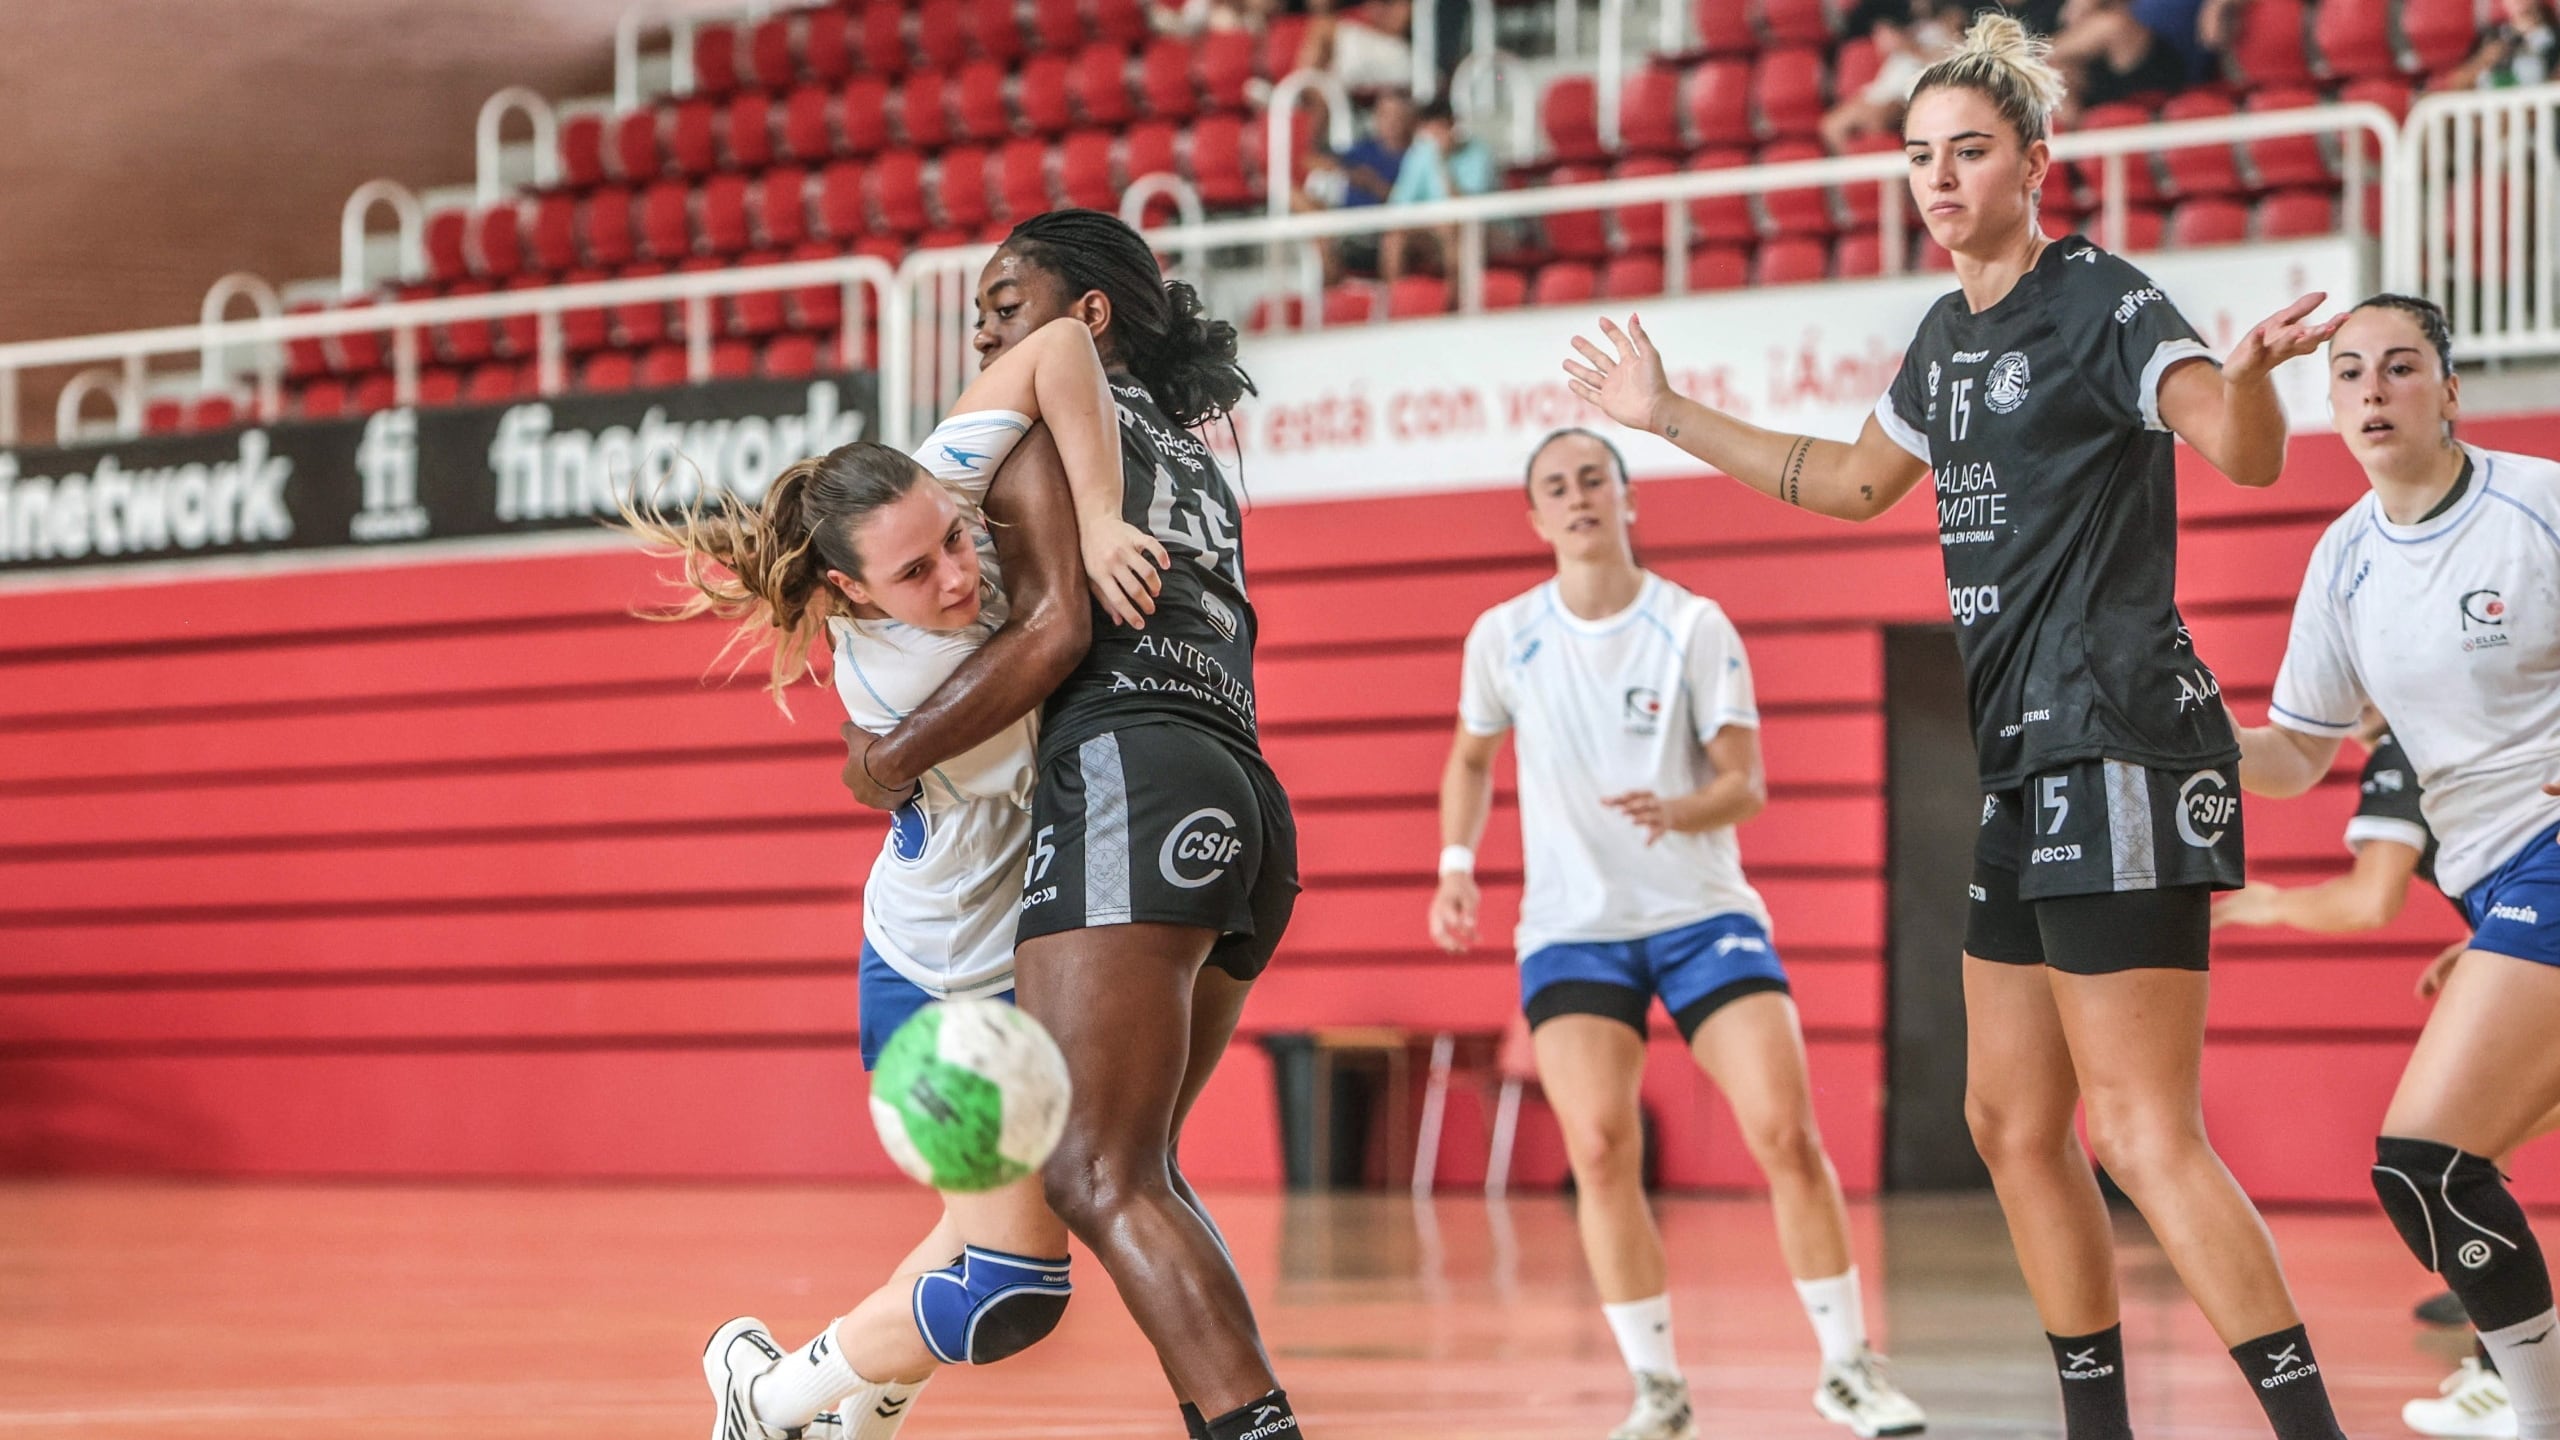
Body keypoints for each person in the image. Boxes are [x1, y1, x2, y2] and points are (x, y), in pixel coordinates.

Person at [1561, 15, 2358, 1439]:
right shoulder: (1943, 336)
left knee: (2138, 1132)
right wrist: (1669, 411)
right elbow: (1852, 484)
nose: (1937, 179)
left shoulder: (2104, 301)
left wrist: (2245, 381)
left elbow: (2239, 453)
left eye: (1968, 152)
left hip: (2120, 741)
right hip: (2018, 760)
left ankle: (2309, 1428)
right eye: (1918, 156)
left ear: (2036, 163)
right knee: (2006, 1121)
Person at [622, 316, 1168, 1440]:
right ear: (852, 591)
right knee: (1012, 1284)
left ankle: (835, 1418)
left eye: (956, 540)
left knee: (977, 1246)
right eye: (917, 573)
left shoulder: (933, 489)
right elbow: (1061, 634)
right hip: (934, 994)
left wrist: (1102, 511)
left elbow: (1062, 340)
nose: (959, 573)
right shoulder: (906, 678)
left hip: (1016, 968)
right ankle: (767, 1393)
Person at [836, 209, 1307, 1440]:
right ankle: (819, 1395)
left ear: (1087, 316)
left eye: (1007, 300)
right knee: (1116, 1175)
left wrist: (885, 755)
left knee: (1096, 1175)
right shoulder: (1194, 449)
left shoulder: (1044, 411)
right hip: (1244, 795)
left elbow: (1056, 632)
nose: (984, 326)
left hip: (1131, 774)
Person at [1428, 429, 1930, 1440]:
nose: (1576, 499)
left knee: (1786, 1135)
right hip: (1573, 931)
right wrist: (1455, 866)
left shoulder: (1692, 627)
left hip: (1702, 917)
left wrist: (1678, 810)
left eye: (1592, 482)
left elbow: (1746, 784)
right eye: (1555, 488)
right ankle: (1655, 1388)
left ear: (1626, 501)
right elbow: (1472, 758)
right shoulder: (1503, 636)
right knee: (1602, 1148)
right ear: (1534, 517)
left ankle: (1846, 1366)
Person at [2227, 292, 2560, 1440]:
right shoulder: (2343, 559)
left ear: (2449, 391)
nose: (2372, 390)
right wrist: (2173, 726)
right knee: (2452, 1166)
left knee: (2427, 1159)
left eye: (2400, 368)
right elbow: (2290, 760)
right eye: (2350, 374)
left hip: (2553, 861)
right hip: (2497, 886)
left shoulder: (2538, 506)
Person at [1380, 98, 1498, 284]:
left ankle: (1455, 305)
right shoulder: (1420, 153)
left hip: (1478, 231)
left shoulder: (1479, 153)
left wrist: (1442, 164)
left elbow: (1468, 208)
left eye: (1439, 129)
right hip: (1432, 229)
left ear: (1452, 127)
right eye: (1430, 131)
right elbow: (1399, 203)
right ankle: (1395, 305)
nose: (1435, 137)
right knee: (1394, 238)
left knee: (1451, 228)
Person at [1823, 0, 1965, 153]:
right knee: (1829, 126)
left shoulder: (1952, 20)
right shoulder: (1912, 26)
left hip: (1907, 92)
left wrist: (1907, 46)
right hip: (1883, 89)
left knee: (1873, 122)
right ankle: (1854, 175)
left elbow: (1950, 58)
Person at [2438, 0, 2559, 91]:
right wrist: (2483, 61)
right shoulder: (2490, 37)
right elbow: (2455, 84)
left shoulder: (2555, 36)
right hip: (2492, 117)